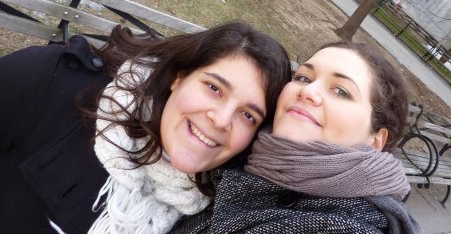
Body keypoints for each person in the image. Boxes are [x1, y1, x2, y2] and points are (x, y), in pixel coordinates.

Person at [0, 21, 291, 234]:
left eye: (248, 115)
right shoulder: (48, 83)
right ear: (179, 77)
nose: (222, 120)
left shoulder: (217, 214)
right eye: (214, 88)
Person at [171, 41, 420, 234]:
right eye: (303, 78)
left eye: (341, 91)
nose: (308, 91)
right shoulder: (236, 149)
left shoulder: (347, 225)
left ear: (376, 141)